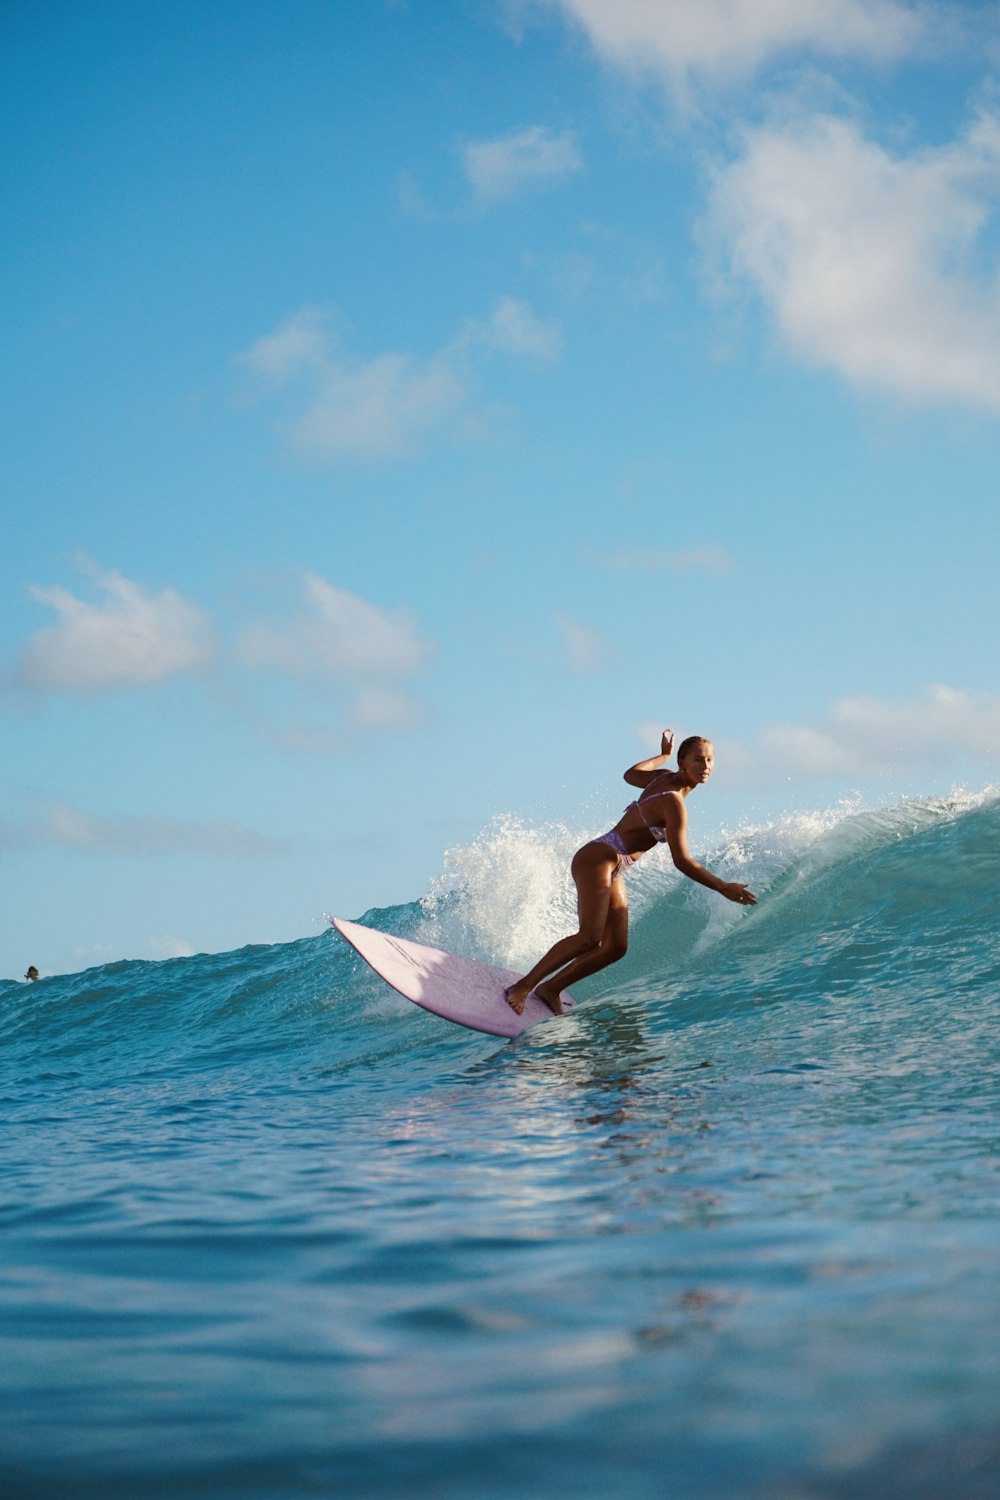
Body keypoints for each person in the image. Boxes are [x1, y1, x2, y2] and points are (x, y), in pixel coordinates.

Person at [504, 729, 757, 1016]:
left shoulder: (662, 777)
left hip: (614, 863)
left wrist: (661, 756)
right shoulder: (674, 800)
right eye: (698, 760)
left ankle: (551, 988)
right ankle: (523, 986)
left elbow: (631, 774)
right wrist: (723, 887)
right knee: (589, 937)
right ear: (682, 762)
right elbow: (682, 860)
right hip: (600, 857)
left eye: (710, 760)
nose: (706, 766)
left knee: (615, 947)